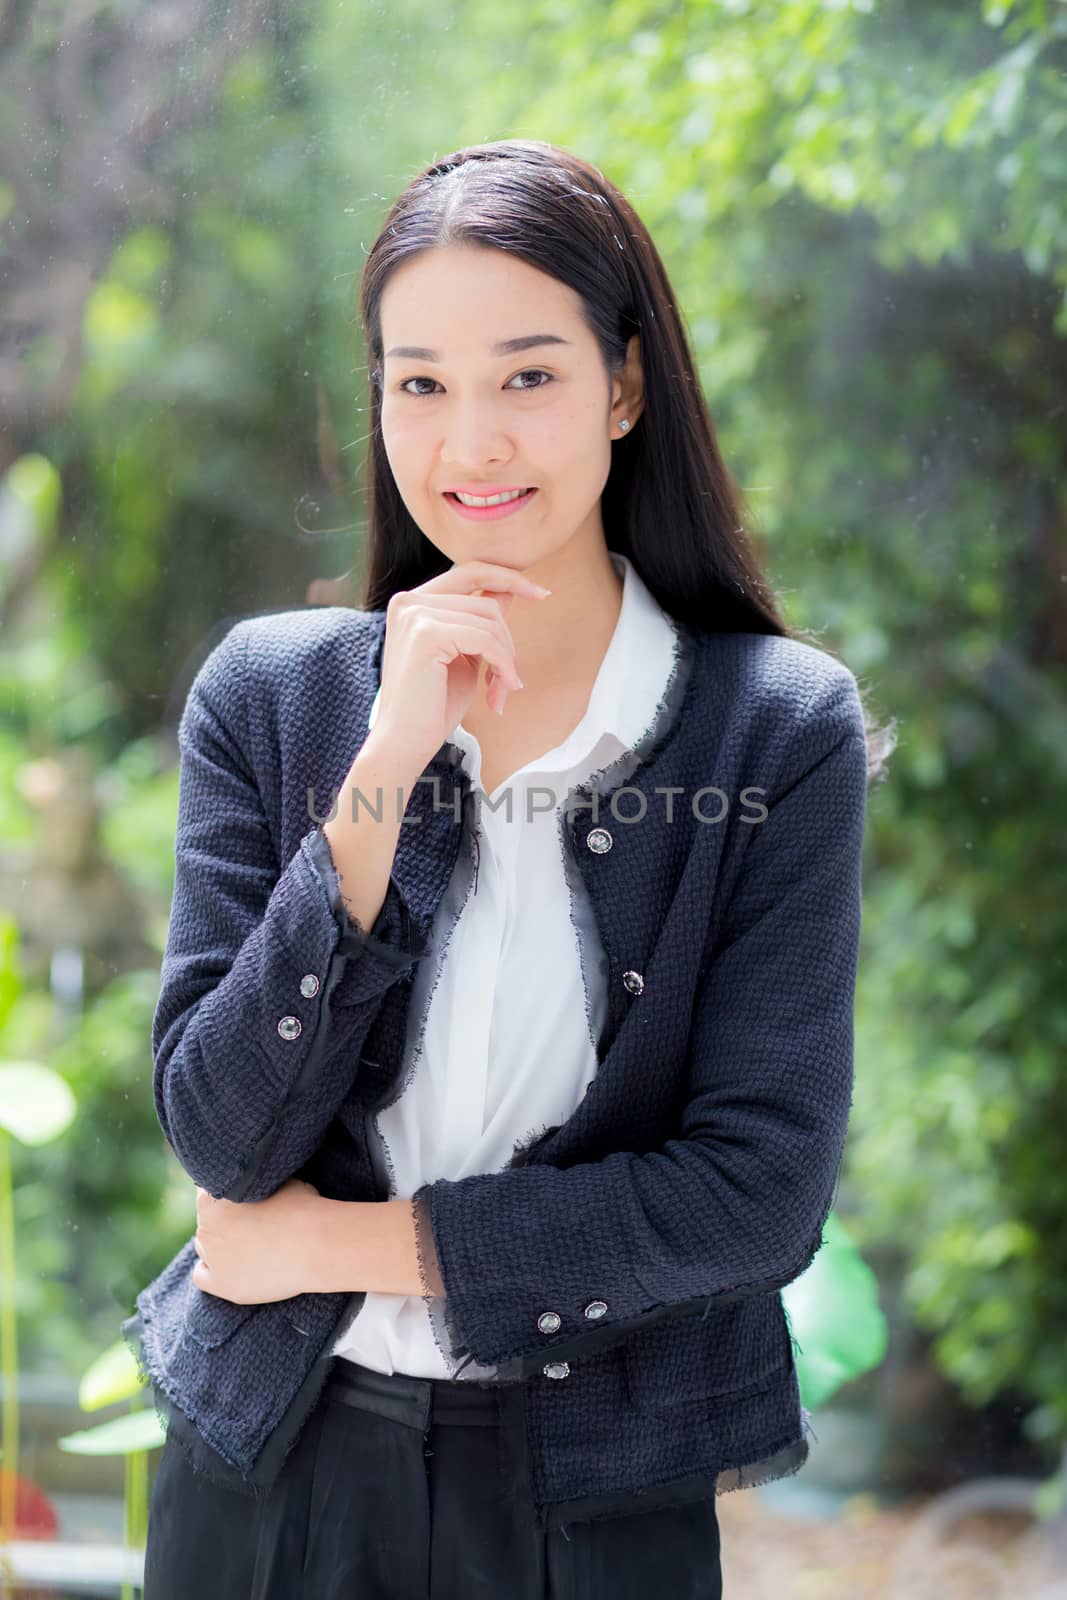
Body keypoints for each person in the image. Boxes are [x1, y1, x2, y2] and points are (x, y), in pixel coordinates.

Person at [133, 138, 893, 1598]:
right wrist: (386, 769)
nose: (469, 442)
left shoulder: (775, 730)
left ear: (622, 386)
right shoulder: (272, 695)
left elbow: (756, 1198)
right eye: (420, 382)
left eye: (527, 377)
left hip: (596, 1502)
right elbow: (223, 1142)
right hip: (265, 1476)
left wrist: (339, 1244)